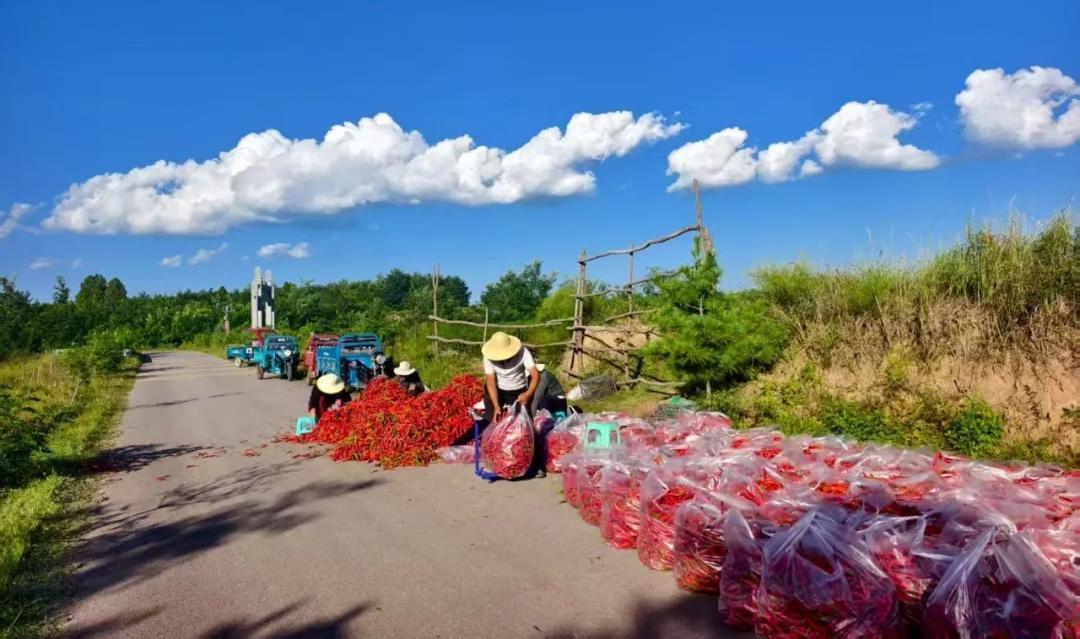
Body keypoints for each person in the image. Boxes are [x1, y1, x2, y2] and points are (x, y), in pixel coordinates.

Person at [481, 332, 546, 478]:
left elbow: (535, 375)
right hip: (500, 391)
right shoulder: (488, 357)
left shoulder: (523, 352)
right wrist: (496, 405)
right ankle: (499, 461)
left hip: (520, 391)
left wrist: (528, 394)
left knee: (526, 428)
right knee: (497, 426)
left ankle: (535, 465)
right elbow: (490, 381)